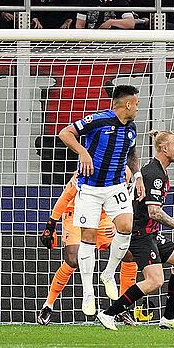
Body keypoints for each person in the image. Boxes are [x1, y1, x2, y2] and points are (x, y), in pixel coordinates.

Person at [96, 130, 174, 331]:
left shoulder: (159, 171)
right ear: (164, 148)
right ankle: (109, 313)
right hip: (140, 234)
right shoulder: (153, 174)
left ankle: (169, 318)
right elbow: (154, 212)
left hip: (151, 233)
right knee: (155, 280)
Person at [56, 85, 141, 317]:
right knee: (88, 237)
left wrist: (138, 175)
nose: (138, 108)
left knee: (126, 226)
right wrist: (83, 152)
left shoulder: (131, 128)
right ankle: (88, 292)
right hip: (90, 188)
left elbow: (132, 154)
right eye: (137, 104)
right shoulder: (98, 120)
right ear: (128, 104)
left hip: (115, 186)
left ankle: (108, 273)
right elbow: (65, 133)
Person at [37, 174, 139, 325]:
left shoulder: (125, 171)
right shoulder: (85, 169)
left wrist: (116, 222)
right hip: (76, 213)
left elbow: (126, 201)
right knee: (73, 259)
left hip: (105, 216)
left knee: (129, 254)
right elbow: (66, 196)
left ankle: (122, 307)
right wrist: (50, 225)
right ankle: (48, 305)